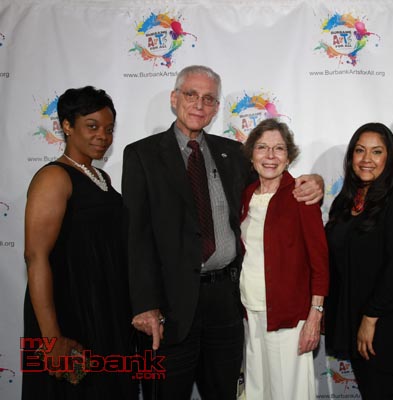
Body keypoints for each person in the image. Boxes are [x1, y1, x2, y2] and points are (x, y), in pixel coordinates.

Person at [121, 65, 323, 400]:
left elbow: (272, 185)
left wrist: (315, 181)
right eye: (191, 95)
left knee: (226, 392)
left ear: (216, 108)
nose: (199, 104)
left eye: (209, 99)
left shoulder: (233, 154)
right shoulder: (142, 155)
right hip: (171, 305)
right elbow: (135, 236)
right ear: (174, 98)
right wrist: (144, 305)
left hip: (227, 302)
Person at [22, 86, 137, 399]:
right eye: (92, 126)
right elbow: (35, 257)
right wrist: (51, 339)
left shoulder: (100, 178)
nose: (103, 136)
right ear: (67, 126)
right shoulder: (54, 178)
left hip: (103, 307)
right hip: (70, 312)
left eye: (109, 129)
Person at [325, 122, 393, 399]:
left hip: (384, 324)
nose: (367, 159)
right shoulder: (345, 202)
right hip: (355, 318)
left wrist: (370, 317)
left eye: (376, 152)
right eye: (360, 150)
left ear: (389, 158)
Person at [239, 119, 329, 399]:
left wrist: (315, 315)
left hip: (288, 317)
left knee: (288, 393)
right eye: (262, 147)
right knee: (257, 391)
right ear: (251, 155)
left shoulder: (300, 194)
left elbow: (320, 262)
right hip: (251, 311)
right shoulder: (247, 195)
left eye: (279, 148)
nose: (270, 155)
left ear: (289, 157)